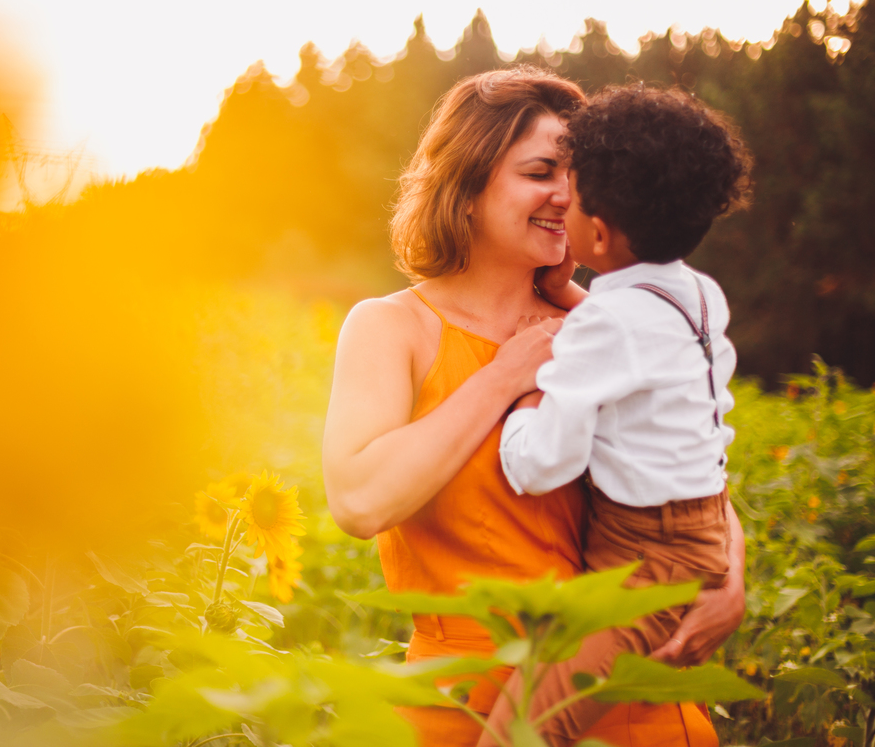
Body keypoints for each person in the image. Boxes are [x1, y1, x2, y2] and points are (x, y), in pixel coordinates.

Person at [322, 65, 746, 747]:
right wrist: (501, 378)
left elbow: (687, 459)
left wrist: (732, 565)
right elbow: (359, 501)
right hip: (460, 699)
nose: (566, 195)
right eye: (541, 170)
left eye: (575, 175)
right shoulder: (391, 326)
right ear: (466, 187)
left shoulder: (599, 323)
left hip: (626, 692)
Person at [487, 84, 753, 747]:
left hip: (646, 562)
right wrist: (572, 294)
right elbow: (649, 352)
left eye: (570, 195)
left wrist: (521, 399)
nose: (559, 204)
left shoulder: (605, 325)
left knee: (523, 727)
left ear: (596, 233)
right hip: (694, 534)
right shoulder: (699, 295)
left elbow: (545, 463)